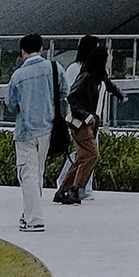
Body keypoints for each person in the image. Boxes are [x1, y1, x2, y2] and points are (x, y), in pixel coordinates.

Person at [2, 32, 59, 232]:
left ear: (22, 51)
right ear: (41, 49)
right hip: (48, 127)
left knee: (27, 174)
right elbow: (65, 91)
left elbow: (10, 103)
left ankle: (34, 218)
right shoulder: (54, 68)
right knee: (38, 172)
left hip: (26, 130)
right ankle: (29, 213)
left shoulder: (18, 75)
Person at [53, 35, 111, 208]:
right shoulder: (77, 70)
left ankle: (72, 187)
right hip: (81, 120)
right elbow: (72, 96)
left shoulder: (97, 72)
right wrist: (84, 116)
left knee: (84, 154)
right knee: (90, 153)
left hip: (93, 119)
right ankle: (73, 187)